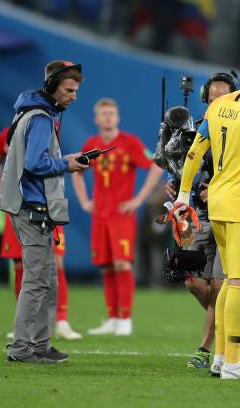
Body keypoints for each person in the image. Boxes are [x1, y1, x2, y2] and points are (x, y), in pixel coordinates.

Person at [175, 45, 240, 380]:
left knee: (228, 282)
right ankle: (235, 363)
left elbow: (195, 150)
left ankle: (221, 358)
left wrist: (182, 193)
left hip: (217, 202)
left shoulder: (220, 104)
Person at [0, 60, 88, 363]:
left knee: (47, 279)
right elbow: (35, 164)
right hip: (31, 209)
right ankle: (22, 349)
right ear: (52, 88)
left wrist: (67, 159)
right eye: (69, 90)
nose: (74, 96)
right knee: (37, 280)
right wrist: (67, 164)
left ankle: (39, 344)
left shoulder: (35, 113)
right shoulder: (40, 118)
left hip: (34, 208)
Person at [165, 73, 239, 370]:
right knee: (195, 283)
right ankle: (235, 327)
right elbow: (182, 165)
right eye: (210, 100)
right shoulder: (195, 129)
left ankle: (205, 348)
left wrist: (218, 188)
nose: (215, 104)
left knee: (221, 285)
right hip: (198, 217)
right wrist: (174, 185)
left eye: (221, 99)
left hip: (228, 215)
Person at [72, 98, 163, 336]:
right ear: (97, 118)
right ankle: (112, 317)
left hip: (122, 214)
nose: (108, 117)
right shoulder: (92, 144)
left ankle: (125, 319)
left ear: (118, 117)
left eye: (111, 113)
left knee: (122, 263)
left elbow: (156, 165)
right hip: (100, 214)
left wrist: (139, 199)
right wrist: (84, 201)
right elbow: (76, 172)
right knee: (106, 267)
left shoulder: (130, 143)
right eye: (104, 114)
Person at [0, 127, 82, 340]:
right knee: (20, 265)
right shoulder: (8, 133)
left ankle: (62, 320)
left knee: (56, 264)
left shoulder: (50, 128)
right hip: (18, 206)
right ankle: (25, 323)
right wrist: (2, 190)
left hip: (50, 203)